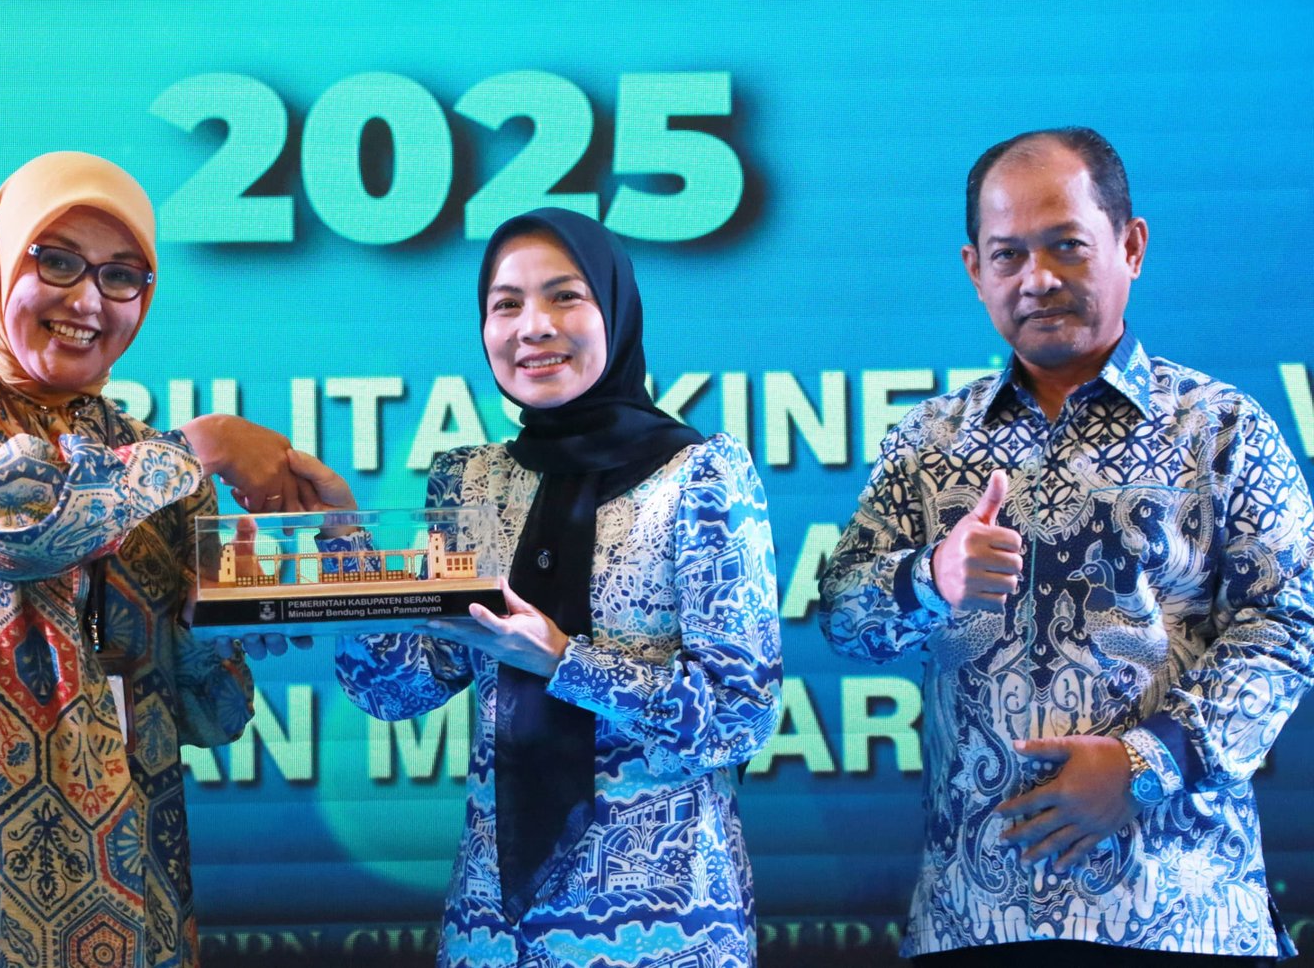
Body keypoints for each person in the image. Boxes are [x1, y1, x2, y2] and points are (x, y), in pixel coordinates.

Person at [819, 127, 1314, 965]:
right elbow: (842, 620)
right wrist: (931, 577)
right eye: (1007, 255)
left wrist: (1148, 762)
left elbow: (1289, 624)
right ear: (974, 270)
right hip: (975, 914)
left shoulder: (1220, 427)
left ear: (1131, 246)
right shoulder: (928, 440)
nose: (1038, 278)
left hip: (1179, 911)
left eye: (1067, 247)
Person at [0, 152, 300, 968]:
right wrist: (204, 447)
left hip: (124, 885)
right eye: (58, 261)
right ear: (0, 259)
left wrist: (223, 617)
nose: (87, 301)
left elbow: (211, 716)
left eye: (122, 276)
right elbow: (26, 530)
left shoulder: (144, 459)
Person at [293, 208, 782, 968]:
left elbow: (739, 716)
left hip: (666, 920)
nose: (533, 327)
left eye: (564, 296)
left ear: (615, 309)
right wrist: (344, 543)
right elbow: (395, 689)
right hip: (495, 927)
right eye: (506, 304)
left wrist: (562, 659)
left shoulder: (700, 476)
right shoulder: (472, 482)